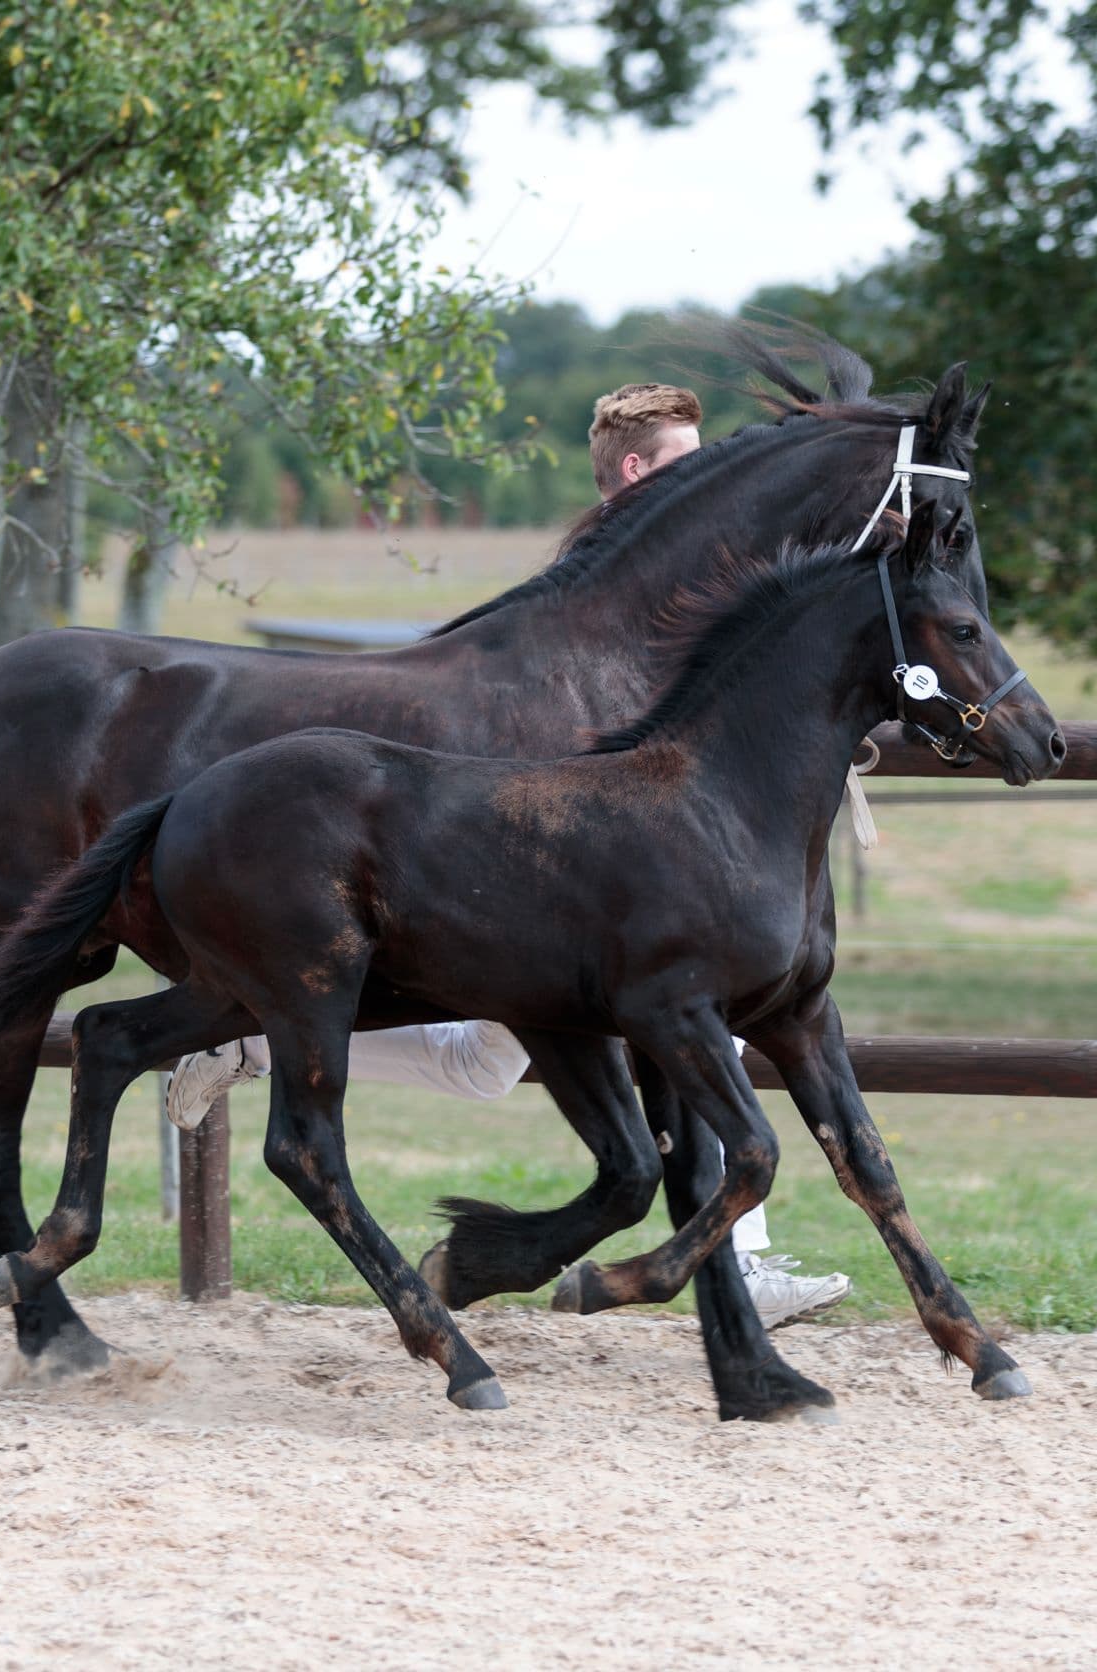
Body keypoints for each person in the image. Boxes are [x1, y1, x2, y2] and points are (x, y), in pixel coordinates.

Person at [166, 382, 851, 1328]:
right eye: (692, 460)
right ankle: (739, 1260)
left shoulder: (667, 578)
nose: (716, 481)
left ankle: (245, 1039)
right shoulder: (607, 582)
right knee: (659, 1038)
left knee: (492, 1064)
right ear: (639, 473)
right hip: (531, 891)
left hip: (580, 895)